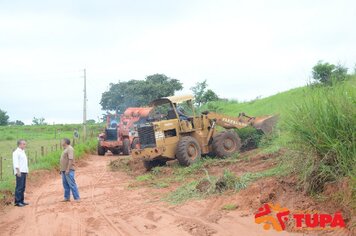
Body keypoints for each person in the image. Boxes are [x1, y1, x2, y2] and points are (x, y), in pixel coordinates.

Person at [12, 139, 29, 207]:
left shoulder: (23, 152)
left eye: (25, 144)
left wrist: (27, 171)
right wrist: (18, 171)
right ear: (20, 144)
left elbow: (25, 163)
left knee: (23, 187)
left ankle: (21, 200)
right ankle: (17, 202)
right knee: (19, 187)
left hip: (24, 171)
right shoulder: (16, 152)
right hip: (20, 171)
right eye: (24, 144)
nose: (25, 145)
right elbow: (15, 162)